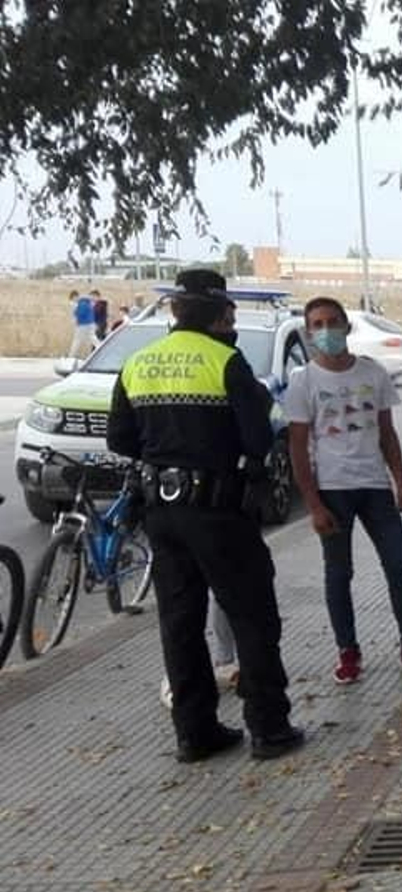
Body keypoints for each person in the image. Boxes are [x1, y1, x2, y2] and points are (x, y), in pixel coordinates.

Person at [106, 268, 303, 762]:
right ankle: (269, 728)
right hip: (218, 512)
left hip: (162, 515)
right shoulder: (226, 362)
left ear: (175, 311)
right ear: (220, 314)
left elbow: (119, 439)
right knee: (252, 616)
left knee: (180, 622)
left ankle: (195, 733)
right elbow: (259, 440)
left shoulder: (138, 362)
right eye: (230, 313)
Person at [285, 296, 402, 685]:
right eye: (318, 325)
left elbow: (387, 433)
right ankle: (348, 651)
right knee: (339, 573)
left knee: (398, 567)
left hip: (375, 486)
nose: (326, 330)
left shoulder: (373, 374)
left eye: (332, 322)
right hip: (332, 490)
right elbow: (296, 446)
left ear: (346, 325)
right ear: (309, 333)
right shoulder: (303, 382)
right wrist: (313, 506)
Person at [68, 290, 95, 359]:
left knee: (77, 340)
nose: (73, 300)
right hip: (90, 323)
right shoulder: (86, 302)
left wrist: (76, 315)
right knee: (91, 339)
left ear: (75, 296)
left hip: (83, 324)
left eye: (73, 298)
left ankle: (71, 356)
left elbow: (80, 313)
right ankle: (93, 354)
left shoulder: (81, 303)